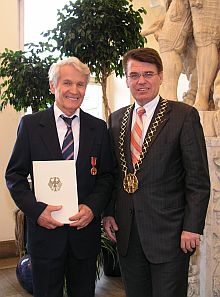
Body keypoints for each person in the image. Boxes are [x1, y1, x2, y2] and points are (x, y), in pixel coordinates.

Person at [103, 47, 210, 297]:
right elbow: (113, 174)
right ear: (127, 79)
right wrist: (108, 214)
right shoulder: (116, 120)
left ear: (161, 76)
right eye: (134, 75)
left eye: (148, 74)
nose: (141, 81)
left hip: (170, 235)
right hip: (128, 234)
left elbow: (198, 180)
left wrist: (192, 227)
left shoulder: (183, 116)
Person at [5, 57, 114, 297]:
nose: (74, 91)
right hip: (45, 236)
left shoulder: (98, 128)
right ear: (53, 86)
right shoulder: (31, 125)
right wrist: (36, 210)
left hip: (83, 237)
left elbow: (107, 176)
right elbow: (14, 175)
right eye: (67, 83)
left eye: (81, 84)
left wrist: (93, 208)